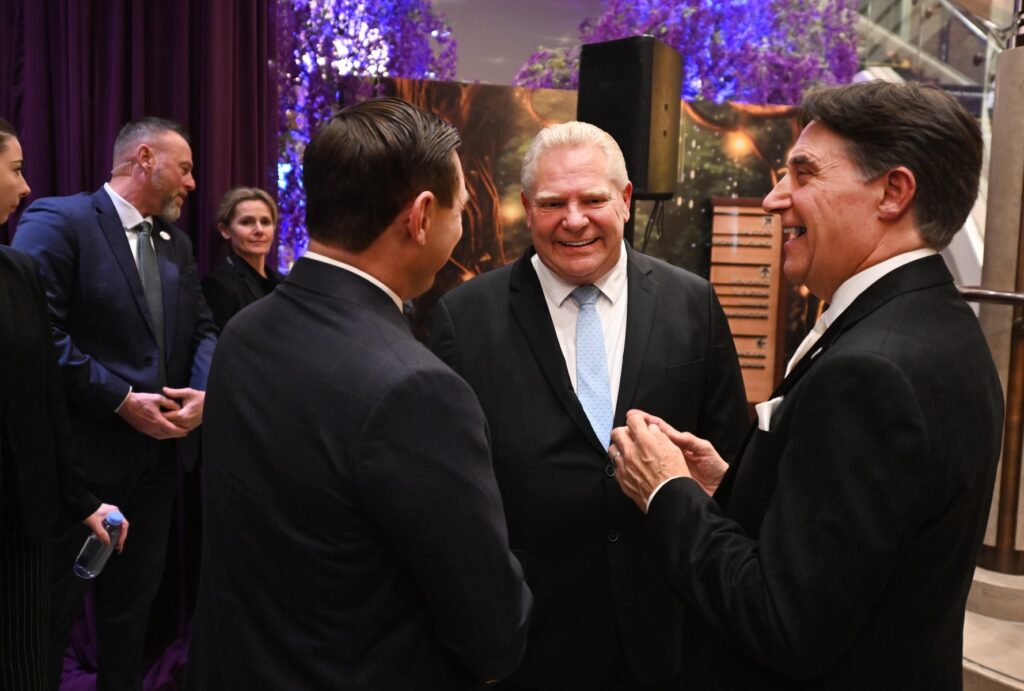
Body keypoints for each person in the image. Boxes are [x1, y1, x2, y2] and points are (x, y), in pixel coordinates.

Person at [610, 81, 1003, 688]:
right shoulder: (939, 320)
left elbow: (783, 623)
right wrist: (729, 484)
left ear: (893, 192)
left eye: (804, 173)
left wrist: (667, 493)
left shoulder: (871, 372)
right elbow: (856, 532)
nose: (774, 198)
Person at [185, 97, 531, 690]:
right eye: (461, 209)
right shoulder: (417, 389)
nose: (461, 226)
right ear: (421, 216)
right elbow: (493, 629)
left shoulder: (246, 329)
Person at [429, 121, 748, 690]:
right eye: (553, 203)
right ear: (528, 207)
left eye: (593, 200)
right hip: (528, 643)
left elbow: (730, 458)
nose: (573, 220)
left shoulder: (692, 302)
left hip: (665, 636)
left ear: (624, 199)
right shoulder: (466, 317)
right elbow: (447, 496)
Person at [13, 116, 217, 690]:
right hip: (82, 467)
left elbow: (204, 328)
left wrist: (203, 394)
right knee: (49, 614)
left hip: (157, 465)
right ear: (145, 159)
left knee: (132, 610)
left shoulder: (176, 242)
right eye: (185, 168)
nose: (192, 183)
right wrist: (122, 400)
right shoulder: (60, 221)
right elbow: (38, 334)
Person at [0, 117, 127, 691]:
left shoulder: (19, 271)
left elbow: (47, 399)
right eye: (16, 169)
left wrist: (81, 500)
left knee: (23, 664)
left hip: (20, 520)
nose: (27, 187)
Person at [201, 187, 281, 328]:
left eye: (265, 222)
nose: (259, 230)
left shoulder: (283, 282)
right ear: (225, 230)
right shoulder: (218, 284)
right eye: (247, 222)